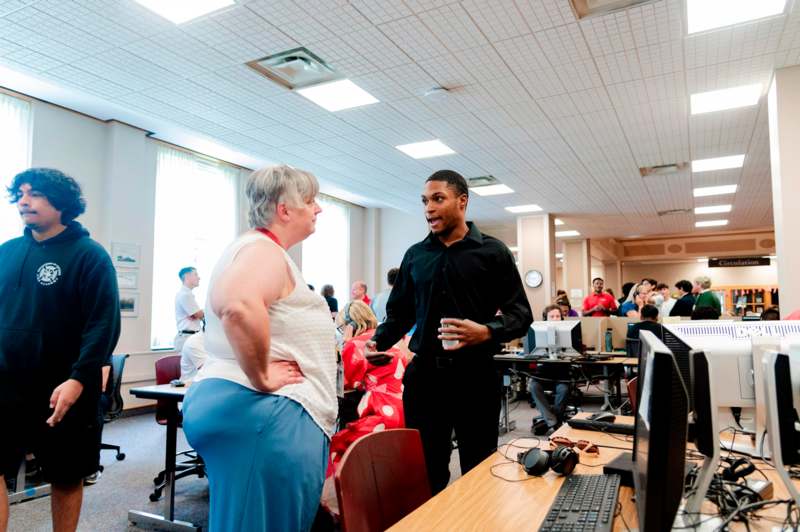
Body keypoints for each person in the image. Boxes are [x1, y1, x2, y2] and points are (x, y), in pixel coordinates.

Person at [181, 165, 336, 531]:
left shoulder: (254, 249)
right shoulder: (263, 251)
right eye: (311, 201)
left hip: (246, 409)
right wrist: (262, 376)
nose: (319, 209)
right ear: (284, 210)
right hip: (264, 415)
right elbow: (236, 304)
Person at [367, 169, 533, 494]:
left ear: (462, 201)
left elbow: (521, 314)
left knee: (479, 470)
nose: (428, 207)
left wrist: (486, 331)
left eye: (438, 199)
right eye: (425, 201)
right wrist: (378, 339)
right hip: (425, 378)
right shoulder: (416, 256)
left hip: (476, 377)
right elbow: (400, 313)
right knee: (425, 472)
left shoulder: (493, 252)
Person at [1, 168, 120, 532]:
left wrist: (79, 378)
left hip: (64, 388)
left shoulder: (90, 256)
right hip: (6, 386)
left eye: (35, 193)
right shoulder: (7, 252)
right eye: (19, 194)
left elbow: (103, 326)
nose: (24, 201)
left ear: (62, 201)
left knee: (66, 477)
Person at [529, 305, 571, 436]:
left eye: (557, 316)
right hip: (543, 375)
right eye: (551, 316)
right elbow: (531, 353)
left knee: (563, 390)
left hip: (561, 375)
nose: (555, 319)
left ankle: (549, 422)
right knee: (533, 386)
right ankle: (554, 423)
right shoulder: (537, 332)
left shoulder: (568, 332)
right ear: (545, 319)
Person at [174, 267, 204, 352]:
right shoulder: (185, 295)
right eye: (195, 274)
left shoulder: (186, 294)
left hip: (189, 337)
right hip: (187, 338)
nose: (199, 277)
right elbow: (200, 315)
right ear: (187, 277)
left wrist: (198, 314)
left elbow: (198, 315)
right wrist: (199, 314)